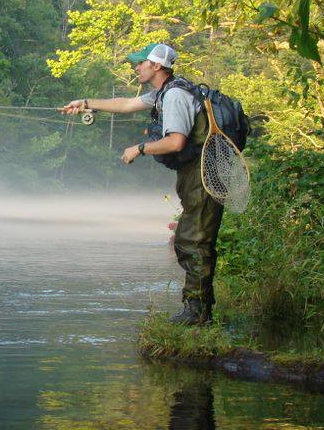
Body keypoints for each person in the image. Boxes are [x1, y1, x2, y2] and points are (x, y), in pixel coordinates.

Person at [59, 43, 223, 325]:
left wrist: (140, 148)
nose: (135, 67)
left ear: (157, 66)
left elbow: (176, 142)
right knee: (188, 239)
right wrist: (85, 103)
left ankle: (197, 314)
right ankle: (198, 312)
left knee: (193, 241)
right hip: (194, 172)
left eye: (140, 63)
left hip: (202, 172)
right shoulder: (163, 93)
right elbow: (125, 104)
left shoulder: (175, 96)